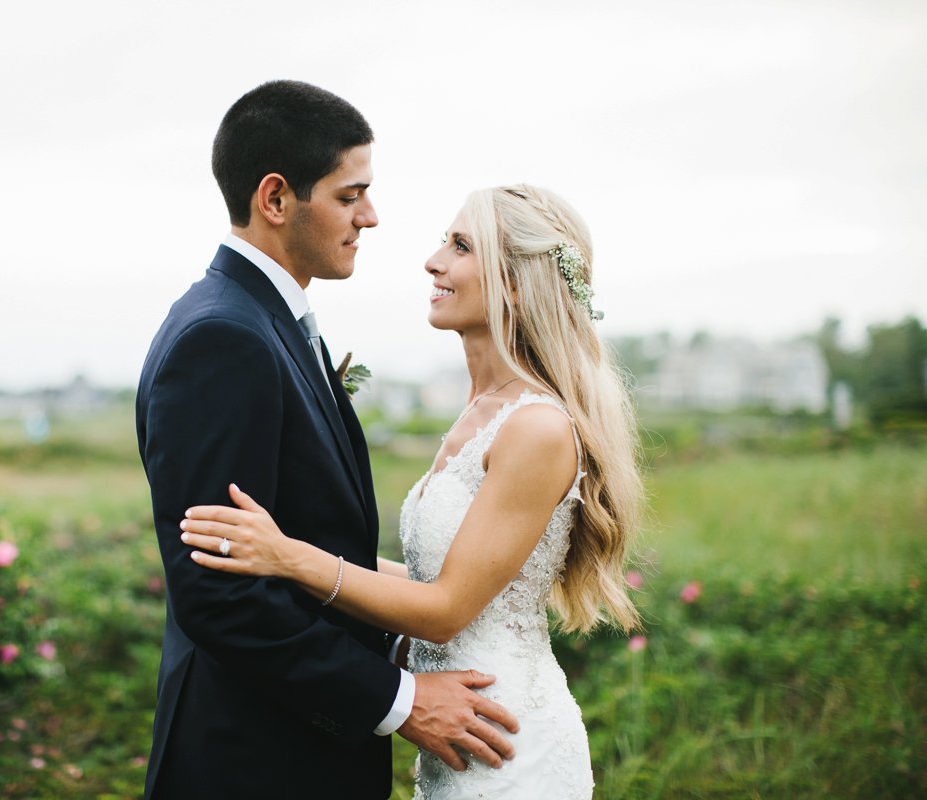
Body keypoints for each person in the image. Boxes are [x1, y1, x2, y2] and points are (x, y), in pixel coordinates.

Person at [180, 183, 644, 799]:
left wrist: (291, 558)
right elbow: (435, 579)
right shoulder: (480, 412)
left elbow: (447, 607)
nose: (433, 261)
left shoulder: (536, 426)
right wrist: (279, 547)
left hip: (505, 739)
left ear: (514, 280)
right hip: (458, 735)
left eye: (460, 247)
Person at [135, 80, 519, 800]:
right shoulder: (223, 338)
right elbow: (221, 596)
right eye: (350, 195)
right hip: (254, 762)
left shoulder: (263, 322)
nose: (371, 217)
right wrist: (399, 701)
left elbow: (307, 542)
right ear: (276, 199)